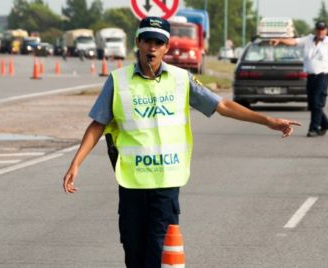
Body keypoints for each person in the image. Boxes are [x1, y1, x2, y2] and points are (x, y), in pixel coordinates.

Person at [62, 16, 301, 268]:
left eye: (158, 42)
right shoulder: (118, 80)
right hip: (132, 181)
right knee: (133, 250)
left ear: (166, 47)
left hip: (167, 180)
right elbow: (98, 124)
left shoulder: (180, 79)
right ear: (138, 43)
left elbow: (222, 105)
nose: (152, 47)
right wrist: (76, 163)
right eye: (147, 41)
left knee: (157, 248)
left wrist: (267, 120)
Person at [270, 21, 328, 137]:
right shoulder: (308, 39)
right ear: (316, 30)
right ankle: (325, 124)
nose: (320, 32)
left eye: (323, 29)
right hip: (311, 76)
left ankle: (313, 129)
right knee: (312, 104)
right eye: (319, 29)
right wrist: (280, 40)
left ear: (326, 31)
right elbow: (293, 42)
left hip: (323, 76)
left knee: (317, 103)